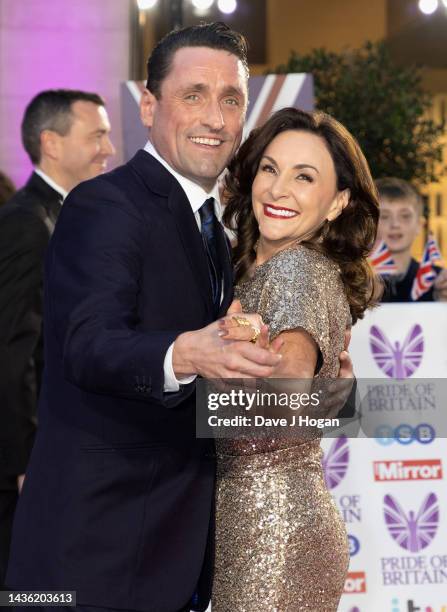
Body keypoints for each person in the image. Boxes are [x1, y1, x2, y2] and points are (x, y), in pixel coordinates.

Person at [6, 24, 354, 612]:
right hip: (97, 546)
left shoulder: (218, 234)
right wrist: (188, 354)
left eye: (231, 99)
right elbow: (87, 345)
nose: (215, 118)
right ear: (148, 106)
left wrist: (336, 399)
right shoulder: (106, 203)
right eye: (193, 95)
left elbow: (254, 405)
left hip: (175, 547)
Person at [212, 107, 380, 611]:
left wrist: (190, 374)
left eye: (305, 177)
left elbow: (282, 403)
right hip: (266, 518)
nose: (278, 189)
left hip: (269, 530)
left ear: (337, 202)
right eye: (270, 168)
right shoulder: (253, 265)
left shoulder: (297, 271)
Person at [0, 89, 114, 589]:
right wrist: (24, 461)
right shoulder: (27, 224)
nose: (108, 150)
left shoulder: (64, 216)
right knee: (28, 588)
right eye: (97, 136)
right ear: (51, 142)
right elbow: (11, 350)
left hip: (61, 447)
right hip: (29, 459)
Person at [376, 177, 447, 301]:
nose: (395, 224)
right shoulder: (351, 282)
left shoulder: (437, 280)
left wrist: (441, 301)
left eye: (405, 216)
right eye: (384, 216)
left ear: (419, 225)